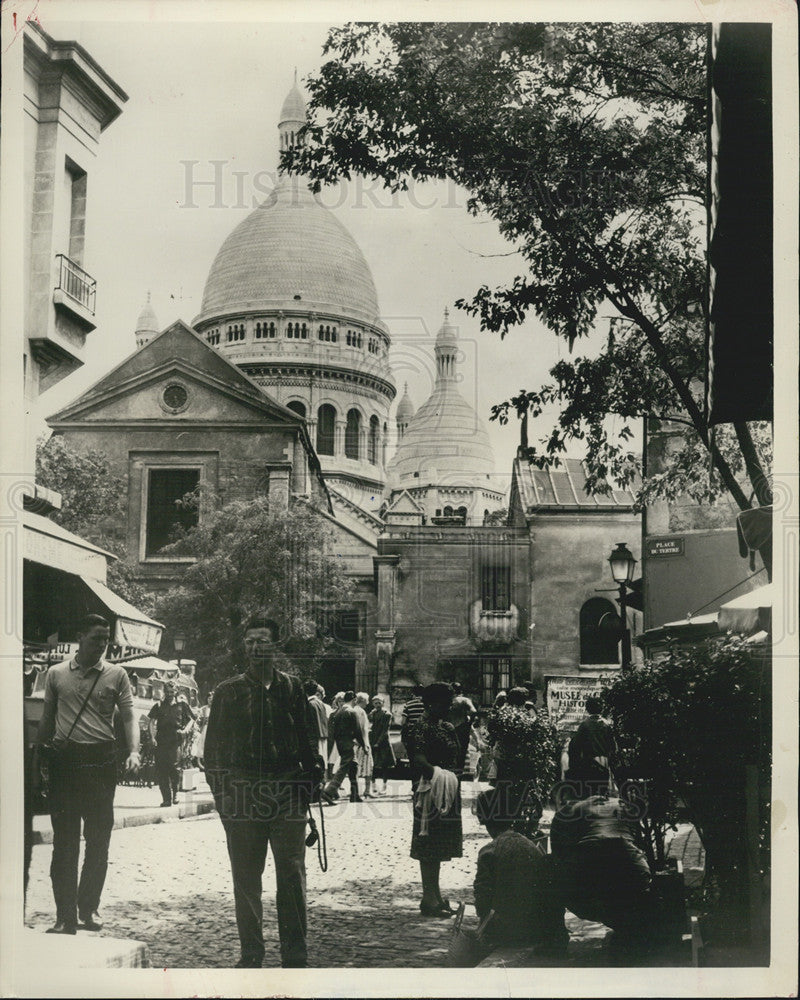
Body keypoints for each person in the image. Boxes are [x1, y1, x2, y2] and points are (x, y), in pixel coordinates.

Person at [204, 613, 323, 969]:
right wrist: (225, 800)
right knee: (246, 876)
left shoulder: (293, 688)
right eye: (250, 641)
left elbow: (307, 742)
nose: (255, 647)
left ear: (276, 646)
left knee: (291, 874)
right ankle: (251, 954)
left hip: (287, 792)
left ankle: (295, 954)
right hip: (243, 794)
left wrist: (312, 776)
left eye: (262, 641)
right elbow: (213, 755)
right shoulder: (228, 692)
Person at [36, 614, 140, 934]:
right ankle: (65, 915)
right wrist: (40, 758)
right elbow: (47, 719)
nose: (101, 644)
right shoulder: (55, 674)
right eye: (96, 638)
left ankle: (88, 909)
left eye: (106, 639)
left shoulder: (117, 674)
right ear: (80, 637)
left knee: (98, 841)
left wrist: (134, 751)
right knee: (64, 843)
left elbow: (129, 718)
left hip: (100, 763)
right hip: (65, 763)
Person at [549, 784, 653, 952]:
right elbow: (639, 844)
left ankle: (554, 941)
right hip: (635, 875)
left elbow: (558, 858)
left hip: (591, 883)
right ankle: (627, 931)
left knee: (547, 868)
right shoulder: (621, 804)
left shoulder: (566, 812)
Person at [474, 785, 567, 955]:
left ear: (483, 819)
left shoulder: (489, 852)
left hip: (514, 931)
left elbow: (482, 900)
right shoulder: (532, 846)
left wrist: (482, 928)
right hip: (539, 927)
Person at [405, 682, 463, 917]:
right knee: (428, 843)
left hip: (446, 789)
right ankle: (429, 898)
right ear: (431, 703)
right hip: (429, 791)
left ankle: (435, 896)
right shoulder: (419, 728)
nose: (449, 707)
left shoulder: (445, 727)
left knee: (439, 844)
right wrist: (442, 777)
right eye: (445, 703)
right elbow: (418, 760)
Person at [148, 681, 195, 807]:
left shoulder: (182, 705)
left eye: (172, 692)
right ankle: (166, 799)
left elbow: (192, 719)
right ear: (164, 691)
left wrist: (185, 730)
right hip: (161, 740)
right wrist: (152, 737)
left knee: (175, 768)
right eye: (167, 692)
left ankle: (175, 794)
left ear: (176, 692)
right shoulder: (158, 705)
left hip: (175, 740)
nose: (169, 694)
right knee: (162, 769)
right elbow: (152, 722)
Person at [321, 691, 365, 803]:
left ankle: (354, 795)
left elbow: (332, 730)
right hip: (349, 743)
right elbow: (358, 731)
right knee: (344, 767)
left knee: (353, 765)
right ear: (354, 699)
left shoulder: (338, 712)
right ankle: (329, 791)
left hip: (340, 743)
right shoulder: (352, 711)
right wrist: (364, 745)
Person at [568, 695, 617, 792]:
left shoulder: (584, 725)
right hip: (604, 761)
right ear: (601, 709)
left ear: (587, 709)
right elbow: (613, 746)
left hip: (589, 762)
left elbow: (576, 745)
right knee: (603, 790)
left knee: (591, 790)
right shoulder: (606, 725)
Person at [368, 695, 396, 795]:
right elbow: (369, 726)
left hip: (383, 741)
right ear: (373, 704)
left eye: (379, 702)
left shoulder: (387, 714)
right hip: (373, 740)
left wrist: (378, 742)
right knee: (372, 764)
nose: (377, 705)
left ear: (383, 703)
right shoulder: (372, 713)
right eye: (375, 703)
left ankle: (384, 786)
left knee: (385, 764)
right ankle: (373, 785)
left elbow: (385, 730)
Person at [447, 682, 476, 772]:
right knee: (461, 755)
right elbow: (473, 711)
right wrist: (469, 723)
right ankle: (458, 780)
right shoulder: (465, 700)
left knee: (449, 755)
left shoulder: (448, 700)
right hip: (462, 729)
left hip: (449, 730)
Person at [353, 692, 374, 796]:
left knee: (355, 768)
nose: (368, 702)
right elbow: (362, 729)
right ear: (363, 701)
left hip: (355, 743)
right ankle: (367, 790)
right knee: (368, 767)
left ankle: (355, 790)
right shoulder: (360, 711)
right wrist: (365, 744)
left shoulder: (354, 710)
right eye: (367, 700)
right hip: (363, 742)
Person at [305, 680, 329, 768]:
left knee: (315, 761)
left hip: (313, 736)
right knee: (322, 760)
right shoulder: (320, 703)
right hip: (322, 735)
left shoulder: (309, 704)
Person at [193, 691, 213, 770]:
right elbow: (198, 719)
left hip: (213, 729)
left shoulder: (217, 708)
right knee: (202, 745)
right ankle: (201, 763)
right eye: (209, 698)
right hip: (205, 729)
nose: (211, 700)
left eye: (212, 699)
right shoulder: (204, 709)